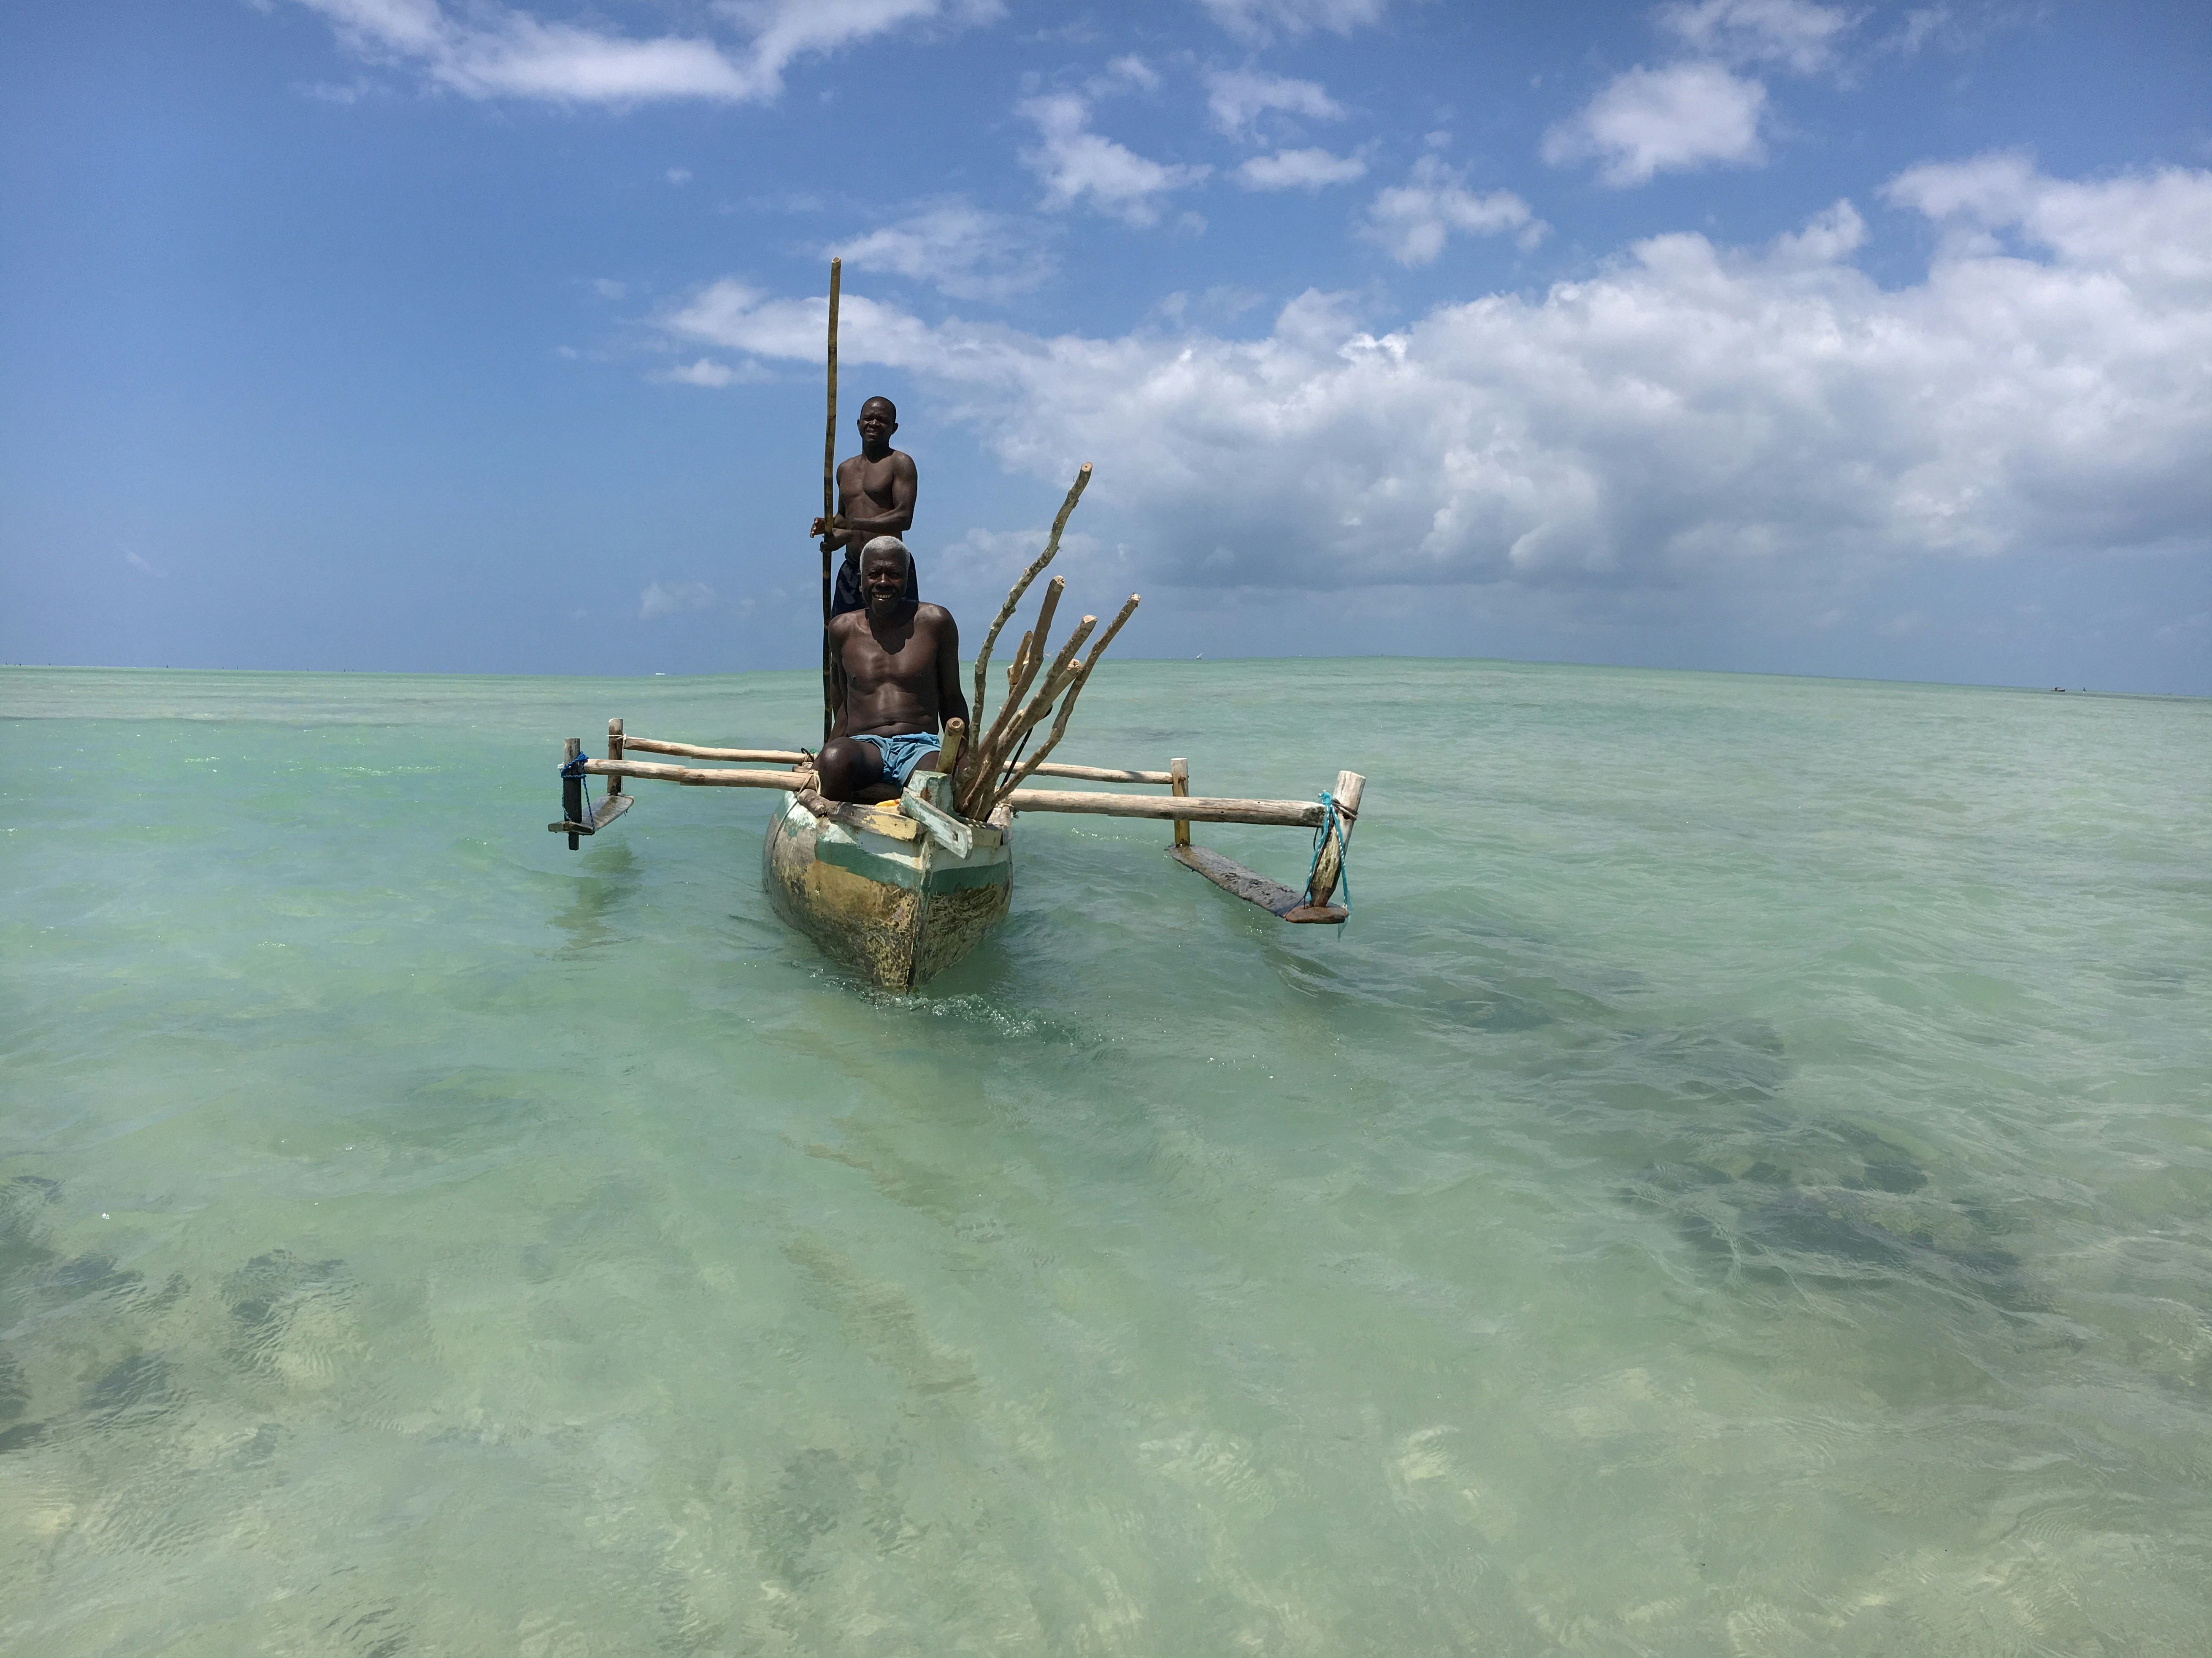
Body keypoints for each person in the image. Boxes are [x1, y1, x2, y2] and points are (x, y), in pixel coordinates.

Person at [806, 536, 968, 808]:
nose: (883, 582)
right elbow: (844, 704)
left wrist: (966, 757)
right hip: (866, 747)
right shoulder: (841, 630)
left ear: (907, 577)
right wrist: (828, 753)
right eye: (874, 574)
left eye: (893, 574)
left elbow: (952, 697)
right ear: (861, 579)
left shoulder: (935, 622)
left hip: (920, 747)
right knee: (834, 761)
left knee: (937, 784)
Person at [809, 396, 918, 616]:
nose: (874, 424)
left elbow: (904, 517)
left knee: (897, 637)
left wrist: (851, 531)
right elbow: (844, 516)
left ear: (894, 428)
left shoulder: (900, 463)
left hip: (888, 566)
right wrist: (828, 525)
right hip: (852, 567)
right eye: (869, 418)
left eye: (882, 420)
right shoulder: (845, 469)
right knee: (843, 633)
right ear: (859, 423)